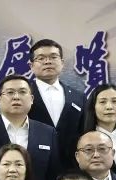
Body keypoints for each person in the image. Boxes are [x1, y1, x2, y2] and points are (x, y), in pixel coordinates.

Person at [27, 39, 87, 168]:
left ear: (62, 63)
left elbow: (85, 132)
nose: (47, 61)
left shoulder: (78, 97)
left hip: (71, 167)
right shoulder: (22, 95)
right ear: (31, 66)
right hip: (34, 166)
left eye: (53, 57)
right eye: (41, 58)